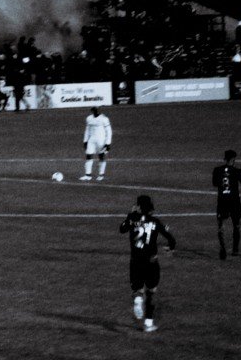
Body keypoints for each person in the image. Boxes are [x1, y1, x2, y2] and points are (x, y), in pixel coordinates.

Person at [120, 195, 176, 332]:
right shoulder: (155, 222)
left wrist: (130, 216)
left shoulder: (132, 219)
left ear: (138, 206)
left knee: (137, 289)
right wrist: (170, 248)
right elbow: (171, 239)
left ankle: (138, 300)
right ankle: (149, 323)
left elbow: (122, 229)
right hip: (151, 262)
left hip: (135, 261)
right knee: (151, 292)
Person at [212, 150, 241, 260]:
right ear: (233, 159)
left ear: (225, 159)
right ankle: (235, 250)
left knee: (221, 225)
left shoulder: (217, 170)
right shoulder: (237, 171)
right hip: (234, 201)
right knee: (236, 225)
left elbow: (214, 183)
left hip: (222, 201)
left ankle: (222, 248)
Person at [82, 107, 113, 181]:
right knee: (89, 156)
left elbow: (109, 131)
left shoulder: (104, 119)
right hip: (91, 140)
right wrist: (85, 141)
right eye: (95, 110)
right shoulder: (89, 118)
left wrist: (108, 143)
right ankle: (88, 175)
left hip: (101, 140)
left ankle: (101, 175)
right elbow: (87, 130)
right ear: (92, 111)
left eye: (97, 110)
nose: (96, 111)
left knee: (101, 156)